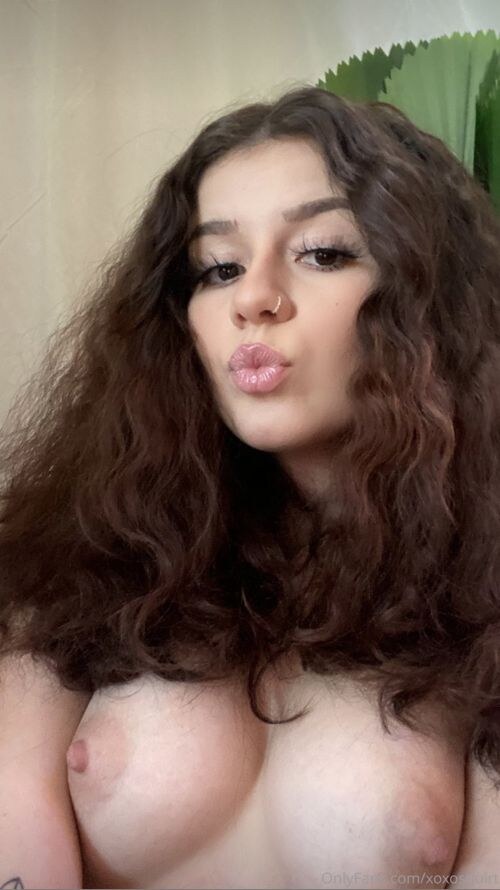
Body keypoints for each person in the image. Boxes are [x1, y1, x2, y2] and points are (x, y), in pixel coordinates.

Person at [1, 84, 500, 890]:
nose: (253, 298)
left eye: (324, 253)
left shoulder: (484, 604)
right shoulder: (77, 567)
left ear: (428, 305)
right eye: (219, 267)